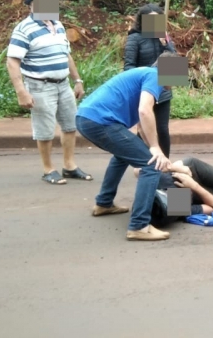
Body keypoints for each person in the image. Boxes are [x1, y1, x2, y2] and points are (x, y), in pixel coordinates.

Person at [75, 51, 184, 241]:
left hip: (88, 117)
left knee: (122, 156)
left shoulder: (145, 75)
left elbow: (141, 124)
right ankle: (139, 226)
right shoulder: (153, 76)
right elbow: (144, 111)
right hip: (100, 121)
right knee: (151, 165)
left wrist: (150, 144)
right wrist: (156, 149)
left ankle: (104, 203)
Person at [6, 0, 92, 185]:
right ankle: (48, 169)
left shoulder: (58, 25)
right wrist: (21, 91)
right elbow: (12, 61)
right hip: (39, 85)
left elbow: (67, 55)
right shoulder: (24, 29)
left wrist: (77, 80)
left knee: (70, 125)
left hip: (63, 84)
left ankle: (69, 166)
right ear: (32, 5)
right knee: (44, 130)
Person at [124, 4, 176, 158]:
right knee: (144, 130)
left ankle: (165, 164)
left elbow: (174, 63)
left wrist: (166, 45)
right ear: (142, 21)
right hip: (144, 91)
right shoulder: (134, 38)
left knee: (162, 130)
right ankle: (143, 162)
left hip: (163, 92)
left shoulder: (164, 37)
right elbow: (128, 67)